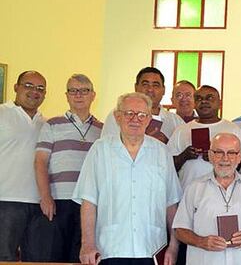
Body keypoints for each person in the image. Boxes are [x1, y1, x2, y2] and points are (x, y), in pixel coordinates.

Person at [73, 92, 182, 265]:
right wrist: (87, 244)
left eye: (141, 115)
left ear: (148, 120)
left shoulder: (162, 152)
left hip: (152, 248)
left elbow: (171, 204)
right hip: (109, 248)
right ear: (117, 117)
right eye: (129, 113)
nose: (135, 119)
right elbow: (88, 201)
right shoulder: (100, 150)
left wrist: (174, 247)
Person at [32, 74, 102, 262]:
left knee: (82, 256)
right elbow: (40, 162)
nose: (78, 95)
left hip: (89, 202)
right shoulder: (52, 124)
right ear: (67, 95)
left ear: (93, 95)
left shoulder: (102, 129)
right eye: (73, 90)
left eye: (84, 90)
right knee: (54, 256)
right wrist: (45, 197)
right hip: (58, 201)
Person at [173, 133, 241, 265]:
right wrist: (201, 241)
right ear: (211, 156)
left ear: (239, 157)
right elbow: (179, 230)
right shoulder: (194, 188)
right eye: (219, 152)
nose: (225, 159)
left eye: (231, 153)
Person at [0, 70, 48, 261]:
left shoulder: (46, 123)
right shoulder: (2, 113)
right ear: (16, 87)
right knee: (4, 258)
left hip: (40, 205)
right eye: (28, 85)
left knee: (37, 260)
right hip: (6, 201)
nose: (34, 91)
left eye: (40, 88)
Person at [167, 86, 241, 187]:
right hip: (188, 192)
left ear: (219, 103)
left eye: (209, 98)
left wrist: (218, 157)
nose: (204, 102)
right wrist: (184, 156)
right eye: (199, 98)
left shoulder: (233, 129)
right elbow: (168, 166)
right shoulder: (181, 130)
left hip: (224, 193)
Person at [102, 67, 185, 143]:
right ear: (136, 87)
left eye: (155, 85)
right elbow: (106, 146)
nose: (150, 89)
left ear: (163, 90)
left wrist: (168, 143)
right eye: (145, 84)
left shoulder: (175, 121)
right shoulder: (119, 114)